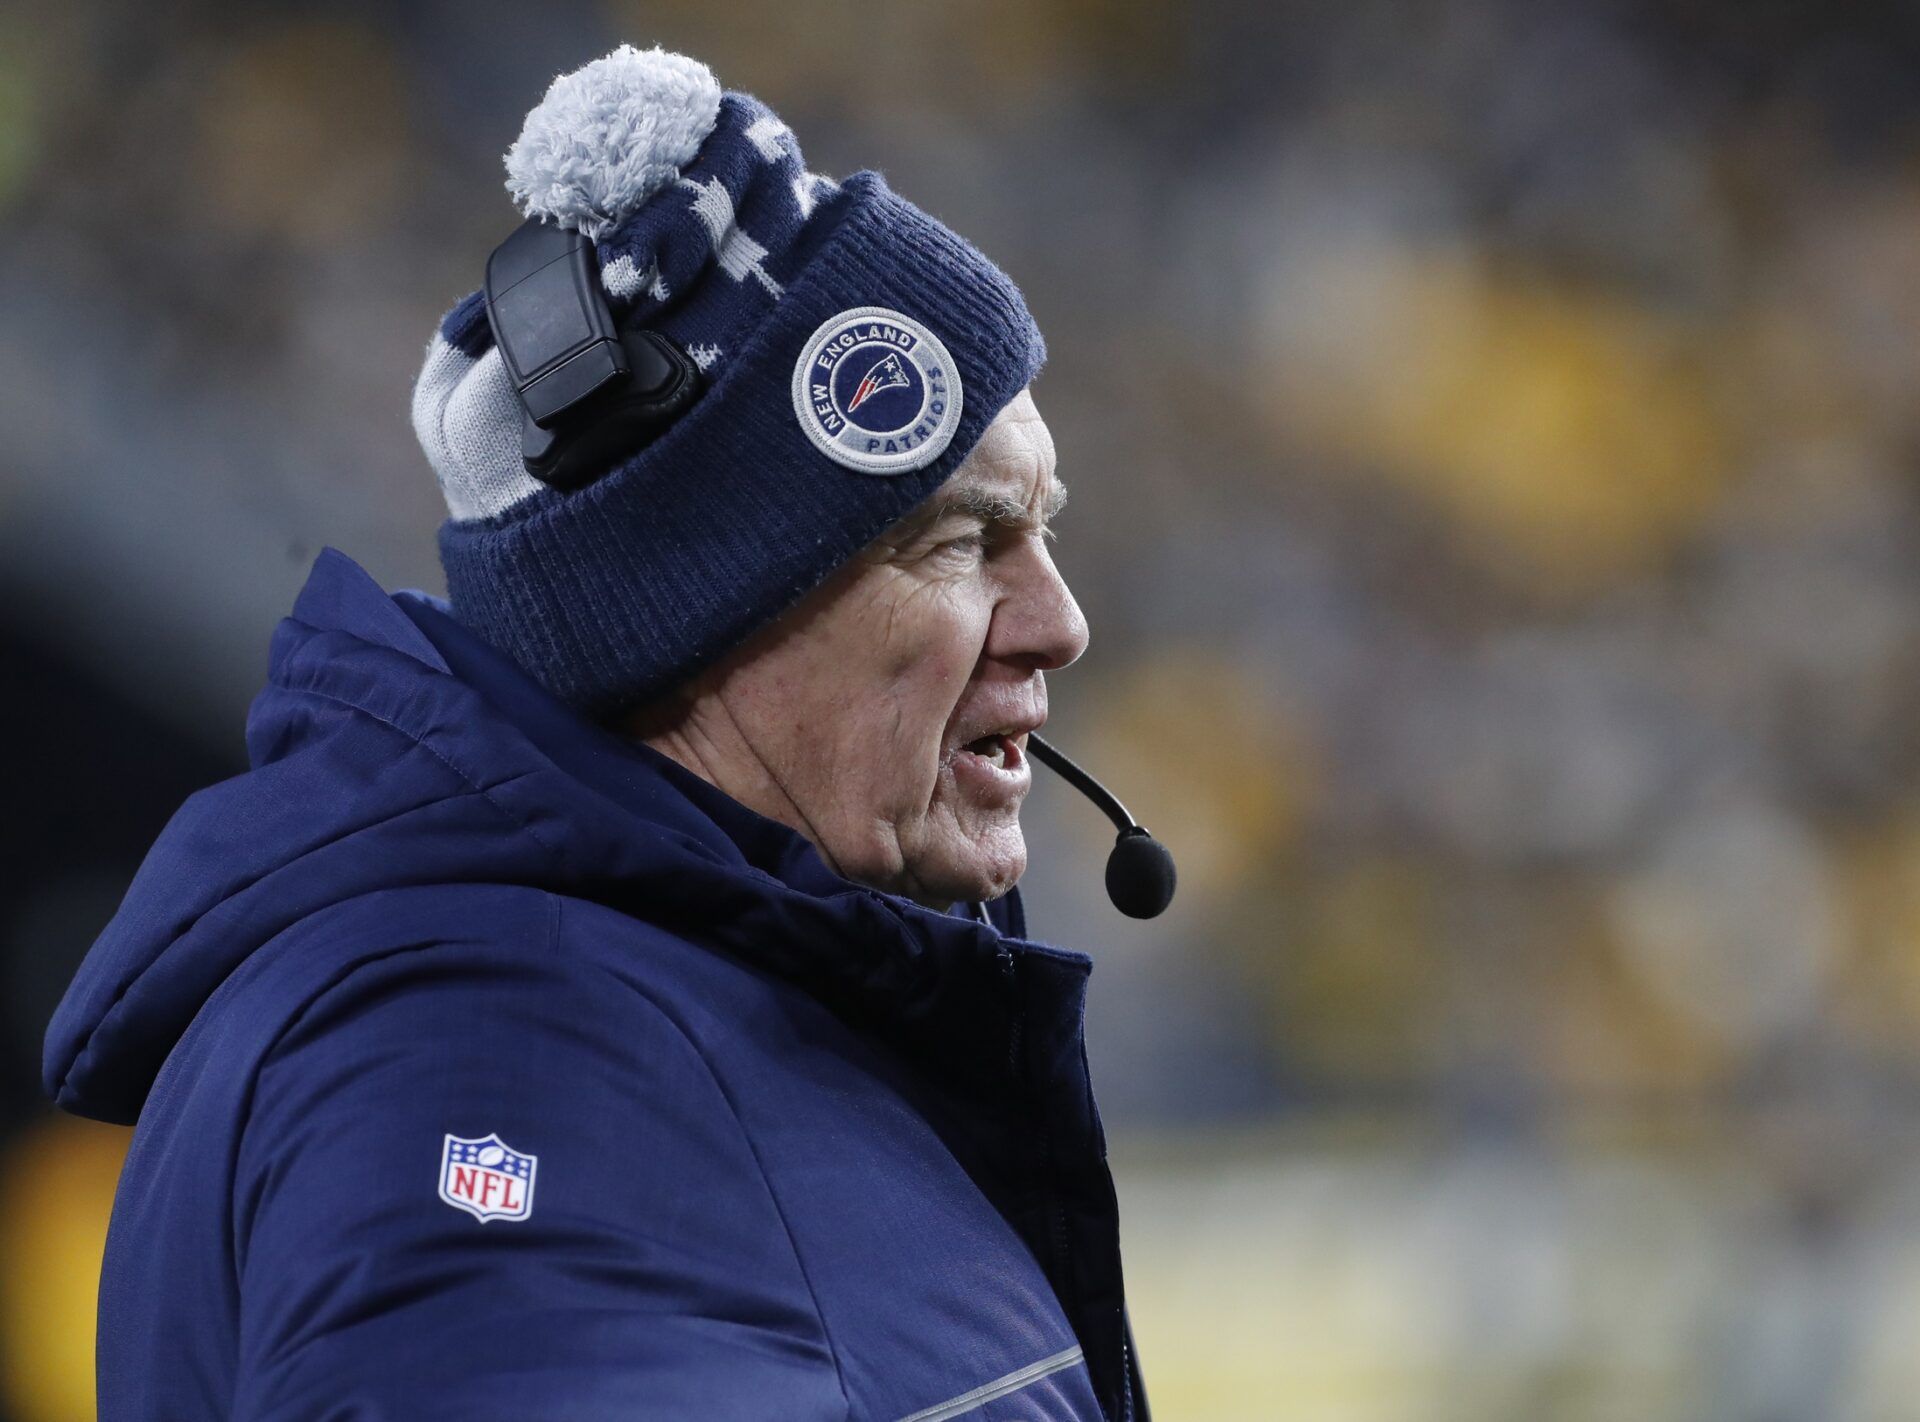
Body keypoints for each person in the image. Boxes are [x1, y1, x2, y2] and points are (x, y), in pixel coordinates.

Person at [44, 45, 1150, 1421]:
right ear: (700, 605)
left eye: (1042, 531)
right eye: (965, 540)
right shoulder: (466, 1054)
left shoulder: (741, 999)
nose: (1059, 619)